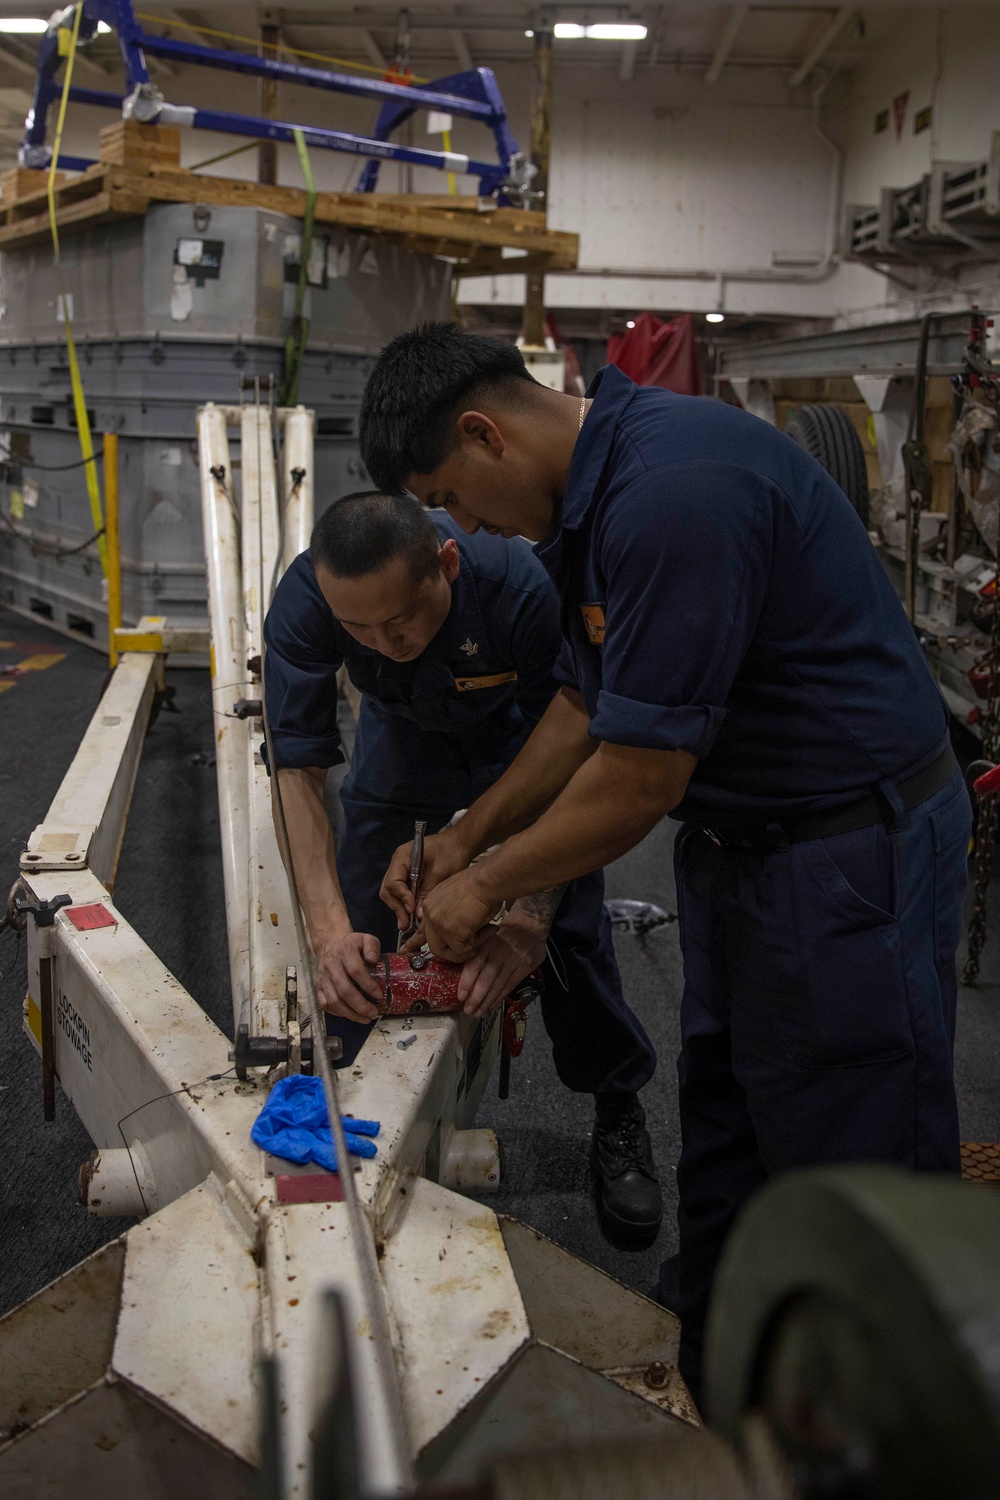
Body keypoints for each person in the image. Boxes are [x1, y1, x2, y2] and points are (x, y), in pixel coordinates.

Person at [357, 323, 971, 1405]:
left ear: (482, 432)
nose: (464, 525)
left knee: (846, 1152)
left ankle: (884, 1427)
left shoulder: (674, 490)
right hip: (746, 855)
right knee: (729, 1129)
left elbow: (639, 780)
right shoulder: (592, 506)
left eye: (454, 497)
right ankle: (721, 1390)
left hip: (847, 859)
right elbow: (585, 707)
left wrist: (484, 887)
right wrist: (465, 834)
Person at [263, 489, 662, 1246]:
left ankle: (617, 1107)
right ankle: (346, 1105)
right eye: (358, 629)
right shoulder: (307, 598)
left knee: (570, 933)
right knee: (357, 921)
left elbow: (585, 748)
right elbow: (297, 770)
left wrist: (525, 912)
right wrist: (327, 934)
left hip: (525, 740)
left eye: (402, 619)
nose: (382, 642)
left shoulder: (523, 586)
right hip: (403, 738)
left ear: (445, 565)